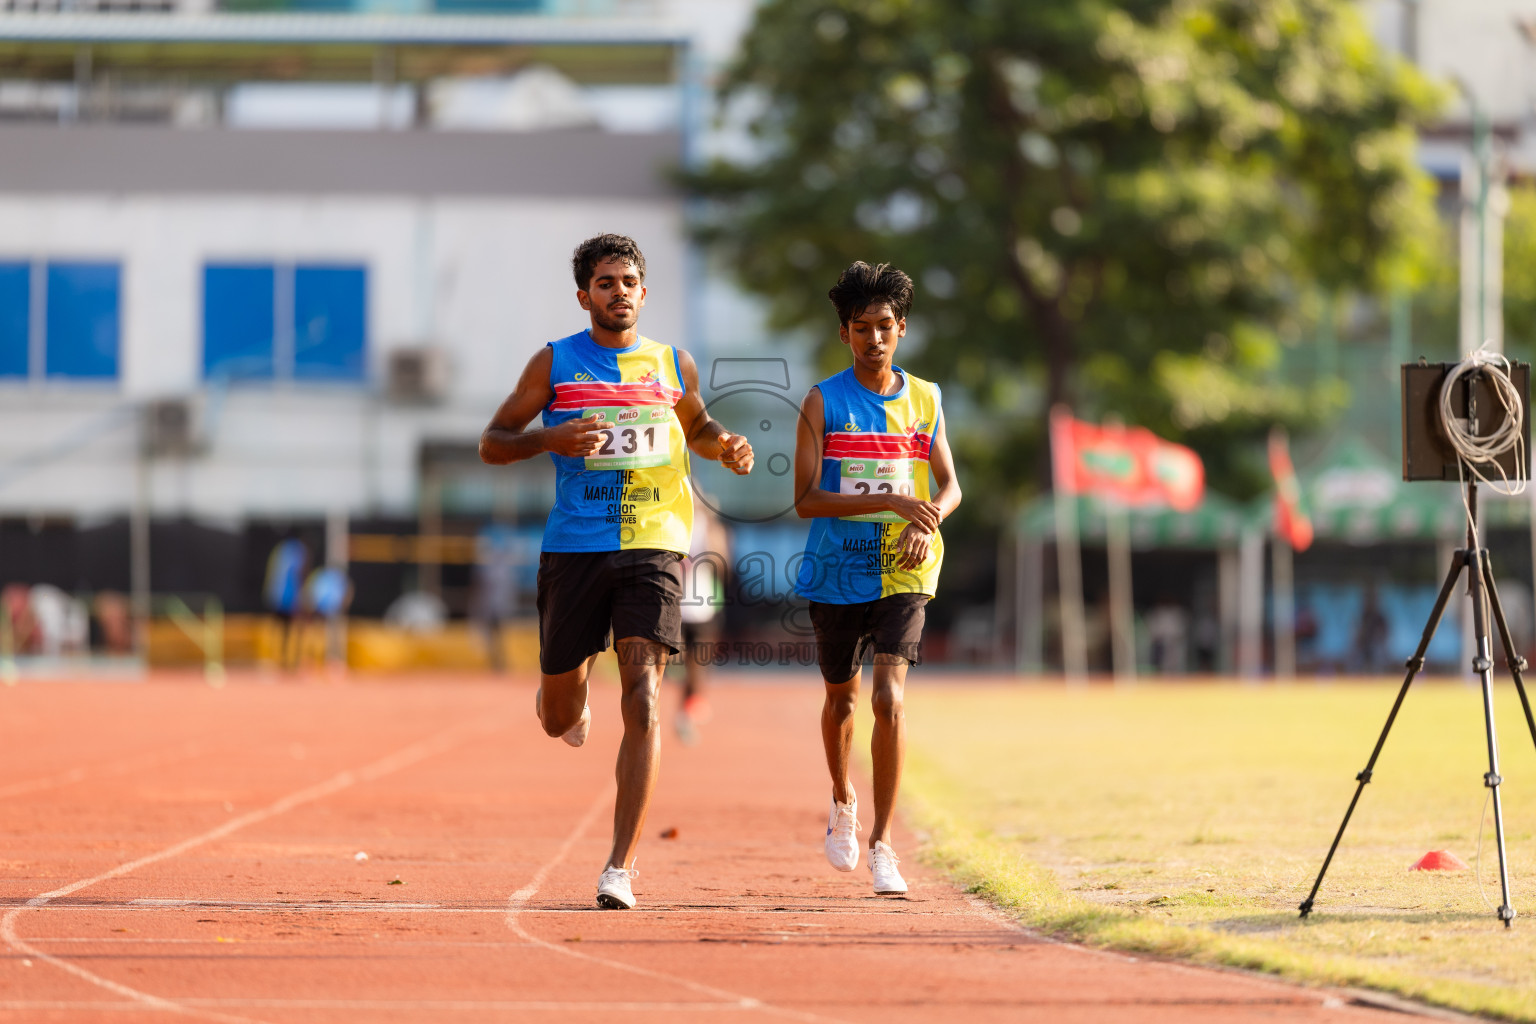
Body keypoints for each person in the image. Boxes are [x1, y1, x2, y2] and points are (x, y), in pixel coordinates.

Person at [479, 234, 755, 910]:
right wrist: (551, 438)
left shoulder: (672, 364)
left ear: (643, 289)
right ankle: (566, 702)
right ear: (585, 296)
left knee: (647, 695)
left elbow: (700, 427)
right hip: (574, 548)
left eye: (629, 280)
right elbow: (492, 443)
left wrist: (728, 446)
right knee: (557, 716)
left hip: (656, 547)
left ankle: (619, 868)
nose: (619, 291)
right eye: (605, 283)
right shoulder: (554, 364)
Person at [792, 262, 961, 896]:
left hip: (906, 567)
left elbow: (950, 486)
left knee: (889, 700)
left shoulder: (926, 399)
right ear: (845, 333)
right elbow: (806, 499)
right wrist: (890, 502)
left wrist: (928, 519)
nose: (875, 340)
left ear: (903, 329)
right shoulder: (823, 400)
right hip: (837, 568)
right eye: (861, 328)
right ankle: (842, 800)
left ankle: (885, 844)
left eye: (885, 327)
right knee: (843, 699)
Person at [673, 500, 729, 746]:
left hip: (702, 607)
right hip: (673, 605)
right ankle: (685, 706)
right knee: (678, 665)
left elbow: (722, 563)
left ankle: (687, 709)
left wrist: (713, 530)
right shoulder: (672, 524)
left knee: (698, 663)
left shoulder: (708, 528)